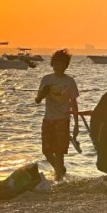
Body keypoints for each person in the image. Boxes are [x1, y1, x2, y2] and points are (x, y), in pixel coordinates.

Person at [35, 49, 79, 181]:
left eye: (62, 64)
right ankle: (60, 170)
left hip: (63, 119)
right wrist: (43, 93)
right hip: (48, 118)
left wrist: (76, 124)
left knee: (59, 152)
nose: (59, 66)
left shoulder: (70, 81)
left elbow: (74, 103)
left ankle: (58, 179)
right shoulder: (46, 79)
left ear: (66, 66)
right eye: (57, 63)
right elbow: (38, 99)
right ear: (52, 64)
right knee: (46, 151)